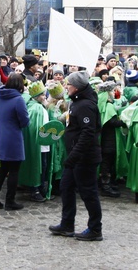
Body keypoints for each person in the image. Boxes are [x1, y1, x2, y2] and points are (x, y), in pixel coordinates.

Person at [49, 70, 103, 242]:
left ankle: (95, 229)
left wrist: (74, 155)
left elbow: (88, 133)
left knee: (88, 193)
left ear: (77, 87)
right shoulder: (76, 102)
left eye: (69, 84)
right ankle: (67, 224)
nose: (66, 87)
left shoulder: (86, 105)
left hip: (84, 157)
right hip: (75, 156)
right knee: (66, 187)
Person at [0, 73, 30, 210]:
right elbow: (24, 121)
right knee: (14, 169)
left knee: (3, 167)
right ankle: (10, 200)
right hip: (13, 136)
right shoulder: (18, 99)